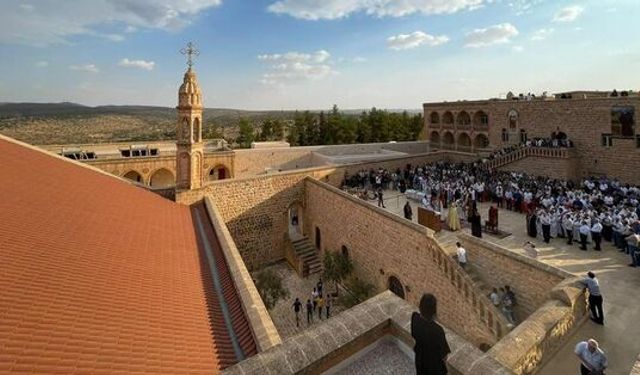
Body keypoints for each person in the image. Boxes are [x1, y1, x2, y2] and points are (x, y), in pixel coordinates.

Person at [411, 294, 451, 375]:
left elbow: (414, 335)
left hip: (420, 359)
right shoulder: (437, 330)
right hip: (434, 367)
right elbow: (444, 355)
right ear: (434, 312)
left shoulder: (414, 317)